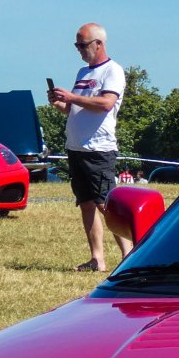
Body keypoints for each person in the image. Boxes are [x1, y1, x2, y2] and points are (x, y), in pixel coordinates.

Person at [48, 22, 130, 272]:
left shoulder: (112, 71)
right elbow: (75, 110)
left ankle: (129, 256)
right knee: (86, 203)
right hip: (77, 148)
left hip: (99, 149)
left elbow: (106, 104)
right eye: (77, 45)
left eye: (82, 45)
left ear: (98, 44)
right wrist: (59, 103)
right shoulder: (83, 73)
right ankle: (97, 259)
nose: (79, 50)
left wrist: (72, 97)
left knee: (106, 204)